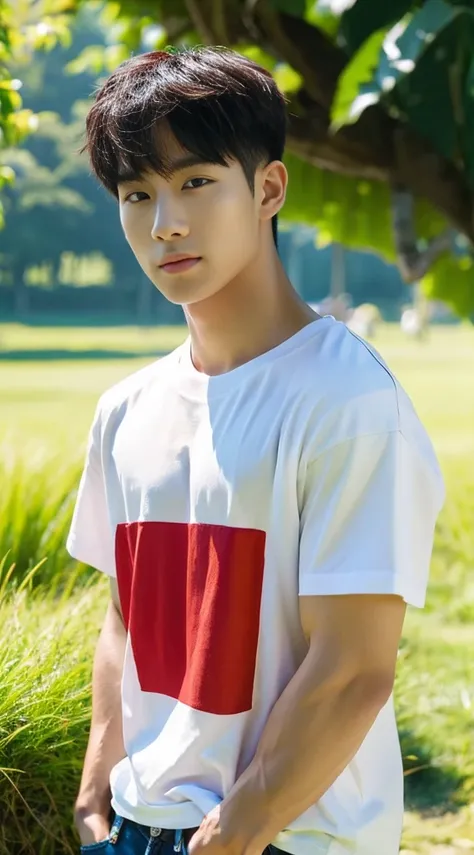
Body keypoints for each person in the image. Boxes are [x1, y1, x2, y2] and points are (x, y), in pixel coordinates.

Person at [66, 47, 445, 855]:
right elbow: (125, 618)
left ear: (269, 187)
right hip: (138, 826)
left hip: (289, 833)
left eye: (195, 181)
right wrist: (99, 784)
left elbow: (353, 671)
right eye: (138, 194)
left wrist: (236, 831)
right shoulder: (125, 411)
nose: (165, 221)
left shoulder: (349, 403)